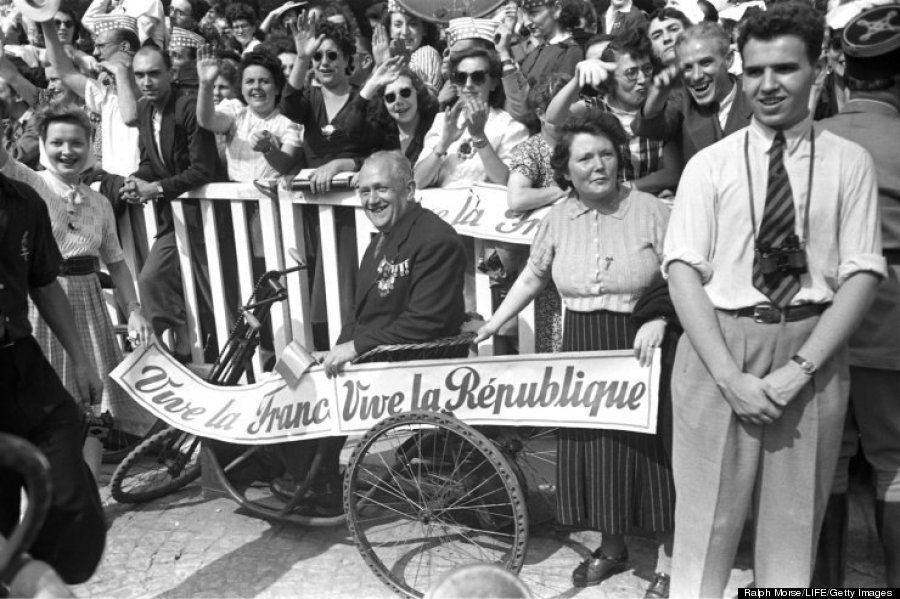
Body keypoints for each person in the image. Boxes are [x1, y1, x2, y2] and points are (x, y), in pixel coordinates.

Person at [662, 3, 886, 594]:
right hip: (719, 349)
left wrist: (798, 371)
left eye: (785, 68)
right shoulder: (708, 165)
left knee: (792, 535)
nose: (768, 85)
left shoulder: (849, 163)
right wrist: (730, 377)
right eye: (755, 70)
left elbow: (862, 273)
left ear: (820, 68)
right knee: (704, 531)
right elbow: (682, 271)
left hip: (809, 351)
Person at [476, 115, 675, 597]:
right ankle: (612, 547)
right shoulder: (560, 217)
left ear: (620, 157)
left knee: (654, 451)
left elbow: (680, 271)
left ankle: (671, 556)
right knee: (598, 448)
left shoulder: (651, 209)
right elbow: (532, 275)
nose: (598, 165)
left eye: (606, 153)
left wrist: (661, 317)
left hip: (641, 341)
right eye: (584, 157)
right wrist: (494, 321)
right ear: (567, 168)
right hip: (584, 344)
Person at [276, 151, 467, 515]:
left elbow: (425, 322)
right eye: (364, 191)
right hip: (380, 350)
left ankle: (317, 487)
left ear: (408, 189)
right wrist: (338, 348)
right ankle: (296, 468)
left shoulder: (435, 239)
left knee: (302, 382)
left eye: (381, 189)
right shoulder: (384, 237)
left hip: (409, 362)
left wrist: (355, 347)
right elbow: (361, 312)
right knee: (285, 365)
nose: (371, 200)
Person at [0, 101, 152, 435]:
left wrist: (134, 309)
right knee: (43, 408)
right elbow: (4, 162)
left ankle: (93, 485)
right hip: (44, 302)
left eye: (76, 143)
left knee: (94, 413)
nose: (66, 151)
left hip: (89, 302)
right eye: (57, 143)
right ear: (42, 145)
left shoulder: (98, 202)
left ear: (88, 146)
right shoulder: (32, 184)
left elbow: (116, 261)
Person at [816, 4, 900, 587]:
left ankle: (822, 586)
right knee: (895, 466)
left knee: (828, 466)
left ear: (846, 71)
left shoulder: (810, 141)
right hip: (894, 327)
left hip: (818, 325)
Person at [0, 147, 106, 586]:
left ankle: (43, 575)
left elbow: (43, 284)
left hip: (21, 361)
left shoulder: (25, 202)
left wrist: (81, 361)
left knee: (70, 501)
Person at [123, 44, 220, 363]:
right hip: (174, 219)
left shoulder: (188, 106)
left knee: (218, 297)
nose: (146, 81)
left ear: (171, 73)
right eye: (139, 75)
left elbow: (203, 168)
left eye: (153, 73)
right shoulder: (144, 108)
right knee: (150, 279)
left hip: (210, 220)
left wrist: (158, 188)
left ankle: (224, 360)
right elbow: (150, 160)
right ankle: (180, 351)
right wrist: (137, 181)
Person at [545, 31, 680, 195]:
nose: (642, 79)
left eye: (647, 69)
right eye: (631, 73)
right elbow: (553, 118)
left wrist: (626, 188)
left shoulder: (659, 108)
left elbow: (672, 173)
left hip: (645, 201)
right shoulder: (594, 109)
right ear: (611, 77)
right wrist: (577, 80)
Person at [632, 21, 754, 166]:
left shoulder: (755, 96)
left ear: (728, 59)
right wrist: (658, 93)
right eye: (688, 67)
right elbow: (649, 127)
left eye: (706, 63)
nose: (696, 76)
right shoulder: (682, 102)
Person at [415, 47, 528, 188]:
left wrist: (478, 135)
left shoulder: (511, 127)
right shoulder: (442, 121)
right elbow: (418, 181)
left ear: (493, 83)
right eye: (461, 78)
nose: (468, 85)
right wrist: (444, 143)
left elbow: (507, 181)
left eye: (477, 77)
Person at [196, 46, 302, 181]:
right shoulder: (236, 111)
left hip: (273, 199)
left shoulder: (288, 121)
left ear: (277, 88)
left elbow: (287, 165)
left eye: (264, 81)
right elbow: (207, 120)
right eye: (249, 81)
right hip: (237, 198)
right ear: (241, 88)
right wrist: (205, 84)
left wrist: (268, 149)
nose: (256, 87)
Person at [363, 60, 439, 163]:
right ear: (384, 103)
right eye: (390, 97)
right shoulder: (381, 137)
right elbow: (346, 135)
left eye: (405, 92)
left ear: (418, 93)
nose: (398, 101)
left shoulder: (435, 129)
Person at [375, 0, 442, 91]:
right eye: (398, 25)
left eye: (413, 24)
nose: (405, 32)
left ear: (424, 29)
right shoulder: (387, 59)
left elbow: (424, 99)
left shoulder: (426, 53)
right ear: (390, 30)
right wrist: (381, 64)